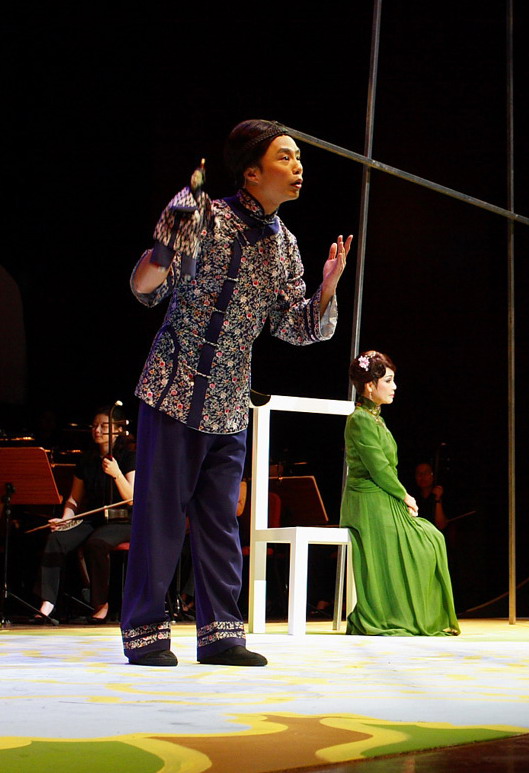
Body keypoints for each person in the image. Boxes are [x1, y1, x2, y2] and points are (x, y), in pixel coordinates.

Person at [122, 120, 350, 666]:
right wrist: (164, 247)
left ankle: (221, 635)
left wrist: (326, 288)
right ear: (251, 172)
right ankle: (146, 633)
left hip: (229, 399)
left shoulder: (285, 245)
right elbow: (145, 289)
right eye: (285, 157)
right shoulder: (207, 219)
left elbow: (294, 327)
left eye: (299, 158)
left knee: (221, 520)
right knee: (160, 515)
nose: (298, 167)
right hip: (175, 387)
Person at [340, 351, 459, 636]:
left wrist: (400, 496)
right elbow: (378, 467)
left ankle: (410, 612)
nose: (394, 387)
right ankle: (392, 613)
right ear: (370, 385)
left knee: (432, 537)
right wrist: (405, 495)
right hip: (367, 498)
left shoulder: (375, 419)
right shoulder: (360, 420)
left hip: (383, 495)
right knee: (422, 542)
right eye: (388, 381)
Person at [36, 405, 135, 624]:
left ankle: (100, 604)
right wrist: (65, 519)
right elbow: (74, 499)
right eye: (94, 426)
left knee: (96, 543)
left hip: (124, 520)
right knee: (56, 538)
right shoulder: (86, 459)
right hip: (94, 519)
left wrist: (116, 474)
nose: (97, 430)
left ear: (119, 430)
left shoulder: (129, 457)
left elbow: (131, 498)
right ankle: (47, 603)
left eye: (104, 426)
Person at [414, 462, 449, 532]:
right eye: (419, 473)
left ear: (433, 476)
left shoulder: (443, 495)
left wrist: (438, 499)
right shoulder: (412, 497)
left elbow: (441, 525)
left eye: (426, 473)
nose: (422, 476)